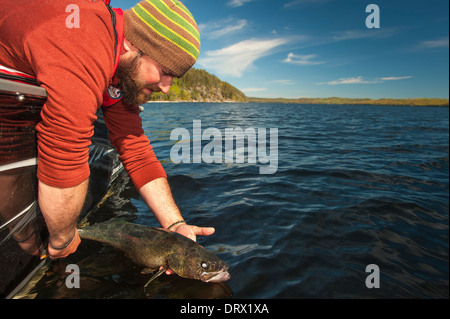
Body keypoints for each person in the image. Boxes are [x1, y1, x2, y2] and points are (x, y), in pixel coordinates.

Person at [0, 0, 214, 262]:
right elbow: (64, 155)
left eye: (174, 78)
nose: (167, 87)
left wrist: (174, 225)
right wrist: (62, 239)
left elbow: (135, 149)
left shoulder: (120, 71)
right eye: (165, 71)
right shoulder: (83, 39)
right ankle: (26, 245)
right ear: (133, 44)